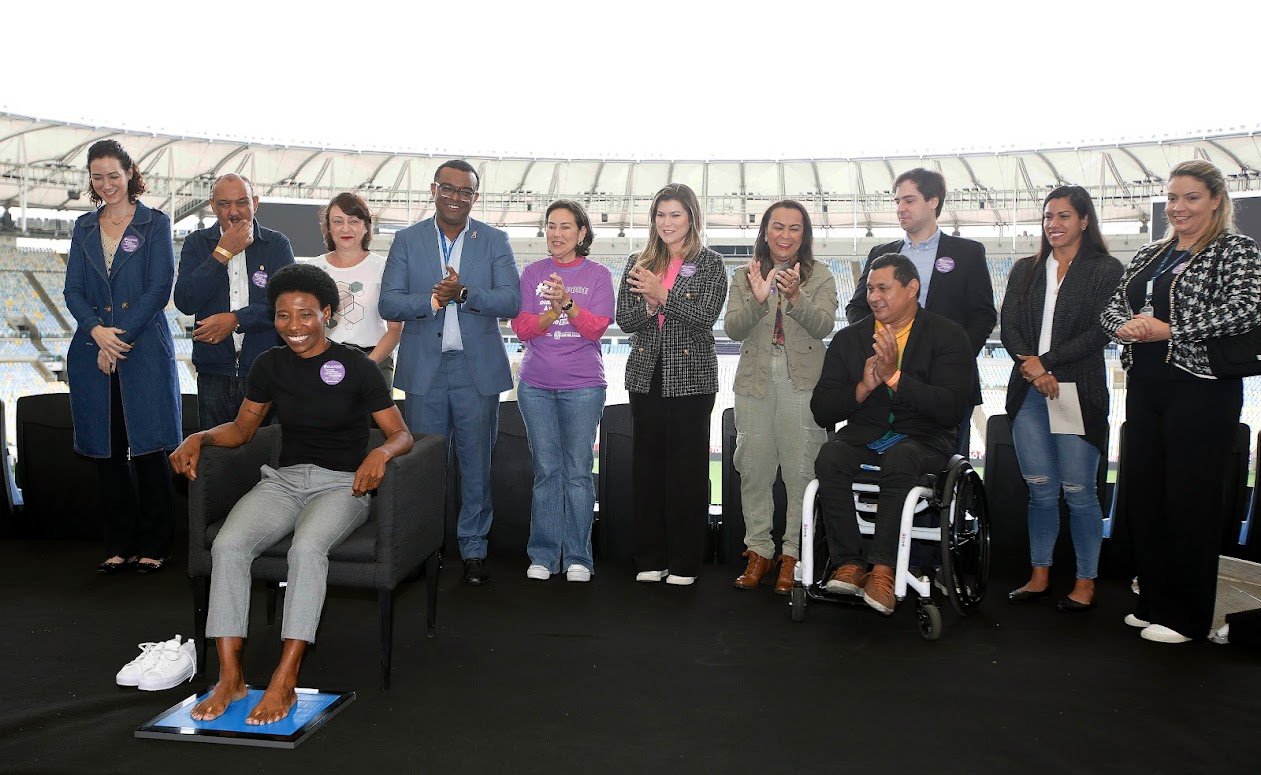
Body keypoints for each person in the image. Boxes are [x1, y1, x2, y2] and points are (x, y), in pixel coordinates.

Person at [169, 263, 412, 725]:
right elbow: (243, 430)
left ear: (328, 313)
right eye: (283, 316)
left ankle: (285, 677)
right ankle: (230, 676)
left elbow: (399, 434)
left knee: (306, 549)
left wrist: (379, 455)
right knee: (228, 544)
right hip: (283, 482)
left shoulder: (358, 366)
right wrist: (198, 437)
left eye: (305, 315)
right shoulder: (269, 365)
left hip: (342, 485)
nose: (294, 327)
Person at [1101, 160, 1261, 644]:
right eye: (1172, 198)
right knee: (1146, 497)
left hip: (1202, 389)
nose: (1178, 207)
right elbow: (1112, 304)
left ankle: (1187, 617)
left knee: (1189, 502)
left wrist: (1172, 329)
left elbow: (1245, 308)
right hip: (1147, 387)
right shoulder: (1153, 252)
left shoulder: (1237, 250)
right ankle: (1153, 601)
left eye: (1190, 197)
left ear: (1216, 200)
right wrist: (1123, 326)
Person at [379, 160, 520, 586]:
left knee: (475, 464)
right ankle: (426, 550)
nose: (456, 197)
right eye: (449, 189)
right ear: (433, 190)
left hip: (475, 371)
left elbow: (511, 301)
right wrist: (435, 301)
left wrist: (464, 293)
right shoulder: (407, 240)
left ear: (475, 197)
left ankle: (473, 548)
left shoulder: (495, 240)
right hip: (425, 371)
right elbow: (389, 303)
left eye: (466, 192)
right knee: (424, 467)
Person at [811, 254, 973, 614]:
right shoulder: (850, 338)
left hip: (925, 438)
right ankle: (849, 563)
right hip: (866, 434)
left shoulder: (948, 335)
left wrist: (896, 379)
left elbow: (951, 408)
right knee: (830, 456)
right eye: (870, 288)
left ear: (912, 288)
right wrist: (863, 388)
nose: (874, 296)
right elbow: (822, 409)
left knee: (903, 457)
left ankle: (883, 570)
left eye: (883, 288)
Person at [1001, 186, 1123, 612]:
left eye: (1064, 216)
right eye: (1048, 216)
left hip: (1075, 391)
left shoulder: (1106, 269)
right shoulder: (1025, 269)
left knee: (1079, 491)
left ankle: (1085, 583)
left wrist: (1047, 363)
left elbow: (1100, 330)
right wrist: (1033, 369)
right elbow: (1009, 325)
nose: (1053, 223)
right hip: (1029, 393)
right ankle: (1039, 576)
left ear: (1085, 221)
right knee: (1040, 490)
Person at [63, 139, 182, 574]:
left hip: (143, 348)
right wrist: (97, 334)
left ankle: (155, 543)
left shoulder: (154, 224)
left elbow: (159, 287)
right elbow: (72, 290)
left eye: (114, 175)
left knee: (150, 450)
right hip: (93, 350)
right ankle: (119, 543)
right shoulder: (83, 227)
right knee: (107, 451)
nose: (107, 184)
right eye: (98, 177)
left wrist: (118, 340)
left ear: (130, 173)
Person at [615, 183, 727, 586]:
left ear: (691, 217)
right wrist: (647, 304)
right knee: (647, 468)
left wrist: (662, 294)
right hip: (646, 377)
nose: (667, 222)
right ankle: (650, 555)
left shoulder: (711, 263)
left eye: (675, 214)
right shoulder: (637, 260)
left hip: (692, 379)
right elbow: (625, 321)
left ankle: (685, 561)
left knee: (687, 470)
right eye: (661, 215)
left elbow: (704, 316)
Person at [724, 200, 837, 593]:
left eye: (794, 228)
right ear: (766, 231)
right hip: (754, 379)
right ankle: (759, 550)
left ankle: (793, 553)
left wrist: (795, 298)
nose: (785, 235)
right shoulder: (745, 274)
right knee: (753, 468)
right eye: (778, 227)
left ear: (804, 235)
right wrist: (758, 299)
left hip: (801, 382)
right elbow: (733, 330)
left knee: (800, 471)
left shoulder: (820, 276)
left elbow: (823, 326)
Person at [845, 168, 995, 456]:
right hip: (885, 381)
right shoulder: (880, 253)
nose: (901, 208)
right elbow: (857, 309)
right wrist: (878, 346)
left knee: (943, 470)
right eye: (898, 201)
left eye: (909, 200)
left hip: (944, 385)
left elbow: (983, 315)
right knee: (877, 466)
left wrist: (954, 358)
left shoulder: (967, 253)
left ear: (933, 201)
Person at [509, 200, 614, 582]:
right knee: (546, 472)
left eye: (565, 227)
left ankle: (579, 559)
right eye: (551, 226)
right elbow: (521, 329)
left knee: (578, 474)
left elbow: (596, 328)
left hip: (583, 387)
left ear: (582, 233)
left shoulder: (599, 275)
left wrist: (567, 303)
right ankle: (543, 554)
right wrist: (552, 312)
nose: (556, 233)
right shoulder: (532, 272)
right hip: (536, 386)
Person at [174, 174, 295, 430]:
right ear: (212, 205)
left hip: (265, 370)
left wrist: (237, 319)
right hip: (213, 373)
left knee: (265, 456)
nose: (234, 212)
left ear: (256, 203)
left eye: (242, 202)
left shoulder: (276, 244)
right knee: (216, 459)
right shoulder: (197, 243)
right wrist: (222, 253)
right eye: (225, 204)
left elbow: (285, 306)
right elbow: (185, 300)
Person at [307, 192, 402, 387]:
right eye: (338, 221)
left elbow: (395, 329)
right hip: (323, 363)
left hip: (373, 362)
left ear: (366, 227)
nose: (345, 228)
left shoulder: (385, 268)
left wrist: (365, 366)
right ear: (328, 227)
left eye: (354, 221)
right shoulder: (312, 269)